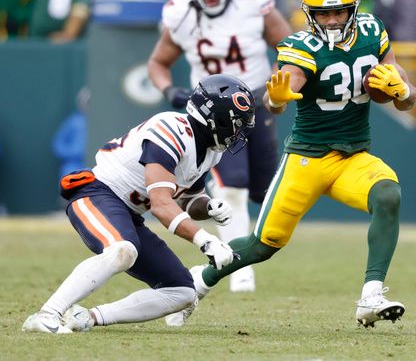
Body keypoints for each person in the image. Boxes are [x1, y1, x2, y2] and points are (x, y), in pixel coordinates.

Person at [167, 0, 416, 328]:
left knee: (389, 195)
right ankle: (197, 282)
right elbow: (276, 99)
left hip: (353, 157)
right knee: (262, 245)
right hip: (307, 158)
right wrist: (277, 99)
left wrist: (403, 91)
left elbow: (407, 100)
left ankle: (371, 295)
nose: (332, 20)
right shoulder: (301, 47)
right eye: (323, 14)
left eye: (339, 12)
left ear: (353, 9)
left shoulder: (373, 32)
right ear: (310, 14)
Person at [22, 74, 255, 334]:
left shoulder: (210, 152)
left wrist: (208, 207)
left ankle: (88, 318)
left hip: (130, 213)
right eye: (235, 124)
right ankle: (46, 315)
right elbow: (161, 205)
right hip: (97, 193)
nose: (238, 133)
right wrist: (207, 241)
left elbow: (188, 200)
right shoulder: (171, 129)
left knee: (183, 292)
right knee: (123, 249)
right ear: (214, 119)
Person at [147, 0, 292, 295]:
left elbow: (289, 48)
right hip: (212, 110)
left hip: (255, 100)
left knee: (263, 188)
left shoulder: (253, 1)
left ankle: (242, 250)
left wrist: (277, 83)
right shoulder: (181, 13)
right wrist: (170, 91)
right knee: (232, 184)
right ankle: (238, 268)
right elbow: (157, 63)